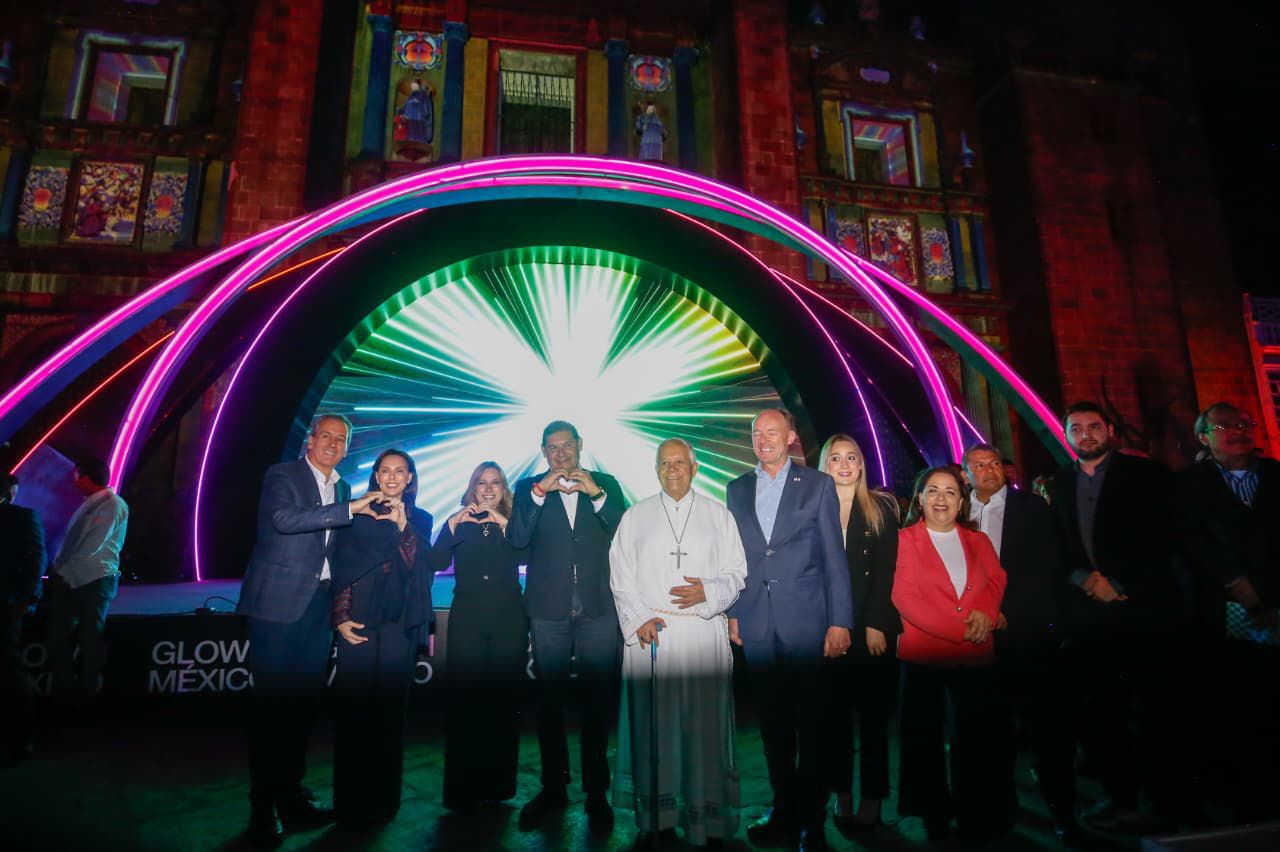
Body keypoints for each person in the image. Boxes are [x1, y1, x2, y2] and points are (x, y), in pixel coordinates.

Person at [237, 414, 387, 846]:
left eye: (341, 439)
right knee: (271, 711)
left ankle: (291, 798)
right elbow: (284, 519)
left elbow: (337, 551)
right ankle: (262, 809)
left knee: (301, 709)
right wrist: (350, 509)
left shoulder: (341, 487)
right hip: (276, 606)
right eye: (326, 436)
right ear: (310, 440)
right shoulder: (283, 475)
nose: (333, 444)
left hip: (318, 609)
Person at [1052, 401, 1188, 832]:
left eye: (1094, 426)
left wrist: (1120, 581)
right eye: (1076, 428)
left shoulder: (1147, 475)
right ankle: (1121, 799)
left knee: (1157, 712)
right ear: (1067, 435)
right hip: (1093, 616)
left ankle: (1171, 804)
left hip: (1146, 609)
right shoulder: (1061, 482)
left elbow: (1167, 537)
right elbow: (1059, 544)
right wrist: (1082, 578)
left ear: (1110, 430)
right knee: (1105, 713)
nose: (1086, 435)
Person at [609, 438, 747, 847]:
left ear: (694, 467)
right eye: (664, 463)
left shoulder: (719, 516)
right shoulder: (635, 516)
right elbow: (620, 576)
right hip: (652, 637)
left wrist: (708, 591)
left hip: (702, 635)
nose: (672, 469)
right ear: (656, 469)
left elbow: (737, 573)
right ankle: (659, 817)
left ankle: (705, 817)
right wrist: (639, 618)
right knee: (656, 731)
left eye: (679, 462)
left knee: (702, 730)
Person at [725, 408, 852, 852]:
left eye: (772, 432)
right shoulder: (736, 488)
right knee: (773, 727)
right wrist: (734, 612)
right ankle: (783, 811)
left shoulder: (817, 485)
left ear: (792, 437)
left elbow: (834, 557)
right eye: (756, 433)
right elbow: (736, 558)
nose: (764, 440)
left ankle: (811, 821)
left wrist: (840, 620)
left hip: (808, 623)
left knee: (813, 728)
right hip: (757, 623)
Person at [508, 420, 628, 831]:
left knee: (598, 701)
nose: (561, 453)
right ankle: (554, 787)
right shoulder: (528, 488)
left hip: (599, 607)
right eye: (552, 447)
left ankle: (596, 791)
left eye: (567, 445)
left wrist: (596, 495)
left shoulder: (605, 483)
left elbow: (625, 533)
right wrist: (540, 492)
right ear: (544, 452)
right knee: (549, 701)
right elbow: (516, 540)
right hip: (548, 609)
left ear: (580, 445)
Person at [963, 444, 1080, 845]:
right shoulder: (957, 511)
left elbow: (1050, 568)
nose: (989, 470)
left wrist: (1015, 613)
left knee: (1047, 729)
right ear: (966, 473)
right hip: (975, 639)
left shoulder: (1032, 508)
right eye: (979, 465)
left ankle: (1063, 811)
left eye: (995, 463)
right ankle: (1001, 811)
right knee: (990, 731)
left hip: (1027, 633)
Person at [1175, 403, 1280, 823]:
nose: (1236, 431)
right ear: (1204, 437)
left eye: (1243, 423)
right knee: (1237, 709)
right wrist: (1243, 589)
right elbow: (1194, 544)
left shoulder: (1275, 475)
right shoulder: (1188, 485)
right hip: (1223, 615)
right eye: (1223, 425)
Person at [893, 465, 1008, 844]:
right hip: (924, 656)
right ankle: (935, 815)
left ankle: (975, 811)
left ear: (961, 502)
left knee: (975, 740)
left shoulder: (979, 541)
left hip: (975, 656)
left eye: (950, 492)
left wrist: (987, 614)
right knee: (924, 741)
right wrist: (965, 630)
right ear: (920, 499)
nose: (941, 499)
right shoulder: (902, 541)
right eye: (933, 491)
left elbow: (996, 580)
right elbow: (905, 598)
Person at [330, 448, 433, 825]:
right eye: (385, 471)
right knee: (354, 711)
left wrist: (404, 526)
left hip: (399, 621)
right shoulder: (357, 512)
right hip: (358, 618)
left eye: (399, 471)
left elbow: (420, 567)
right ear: (375, 475)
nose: (391, 477)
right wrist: (340, 616)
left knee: (390, 713)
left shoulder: (421, 518)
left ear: (410, 478)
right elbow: (341, 566)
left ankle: (385, 800)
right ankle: (349, 802)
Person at [432, 461, 527, 812]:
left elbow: (525, 552)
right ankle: (462, 790)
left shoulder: (512, 524)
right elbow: (435, 561)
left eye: (495, 483)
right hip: (468, 619)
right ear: (472, 488)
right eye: (481, 483)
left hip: (507, 620)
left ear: (503, 489)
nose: (488, 489)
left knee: (503, 702)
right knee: (465, 702)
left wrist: (501, 521)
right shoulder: (458, 522)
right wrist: (452, 523)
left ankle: (498, 787)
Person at [819, 434, 900, 833]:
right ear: (825, 465)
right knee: (833, 721)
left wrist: (875, 624)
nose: (845, 464)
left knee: (873, 722)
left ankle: (872, 797)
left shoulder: (881, 506)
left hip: (871, 630)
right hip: (828, 630)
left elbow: (887, 571)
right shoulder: (813, 509)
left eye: (852, 457)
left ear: (862, 464)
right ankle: (841, 793)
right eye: (836, 458)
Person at [45, 458, 128, 704]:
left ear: (85, 478)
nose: (73, 482)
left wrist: (61, 569)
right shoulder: (95, 503)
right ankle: (66, 692)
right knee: (61, 637)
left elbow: (91, 545)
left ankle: (86, 696)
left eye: (76, 476)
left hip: (94, 578)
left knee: (90, 639)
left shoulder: (111, 504)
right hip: (74, 579)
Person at [0, 473, 44, 766]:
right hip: (9, 604)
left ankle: (22, 737)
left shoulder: (21, 517)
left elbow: (36, 561)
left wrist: (28, 600)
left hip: (6, 605)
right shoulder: (21, 517)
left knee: (10, 669)